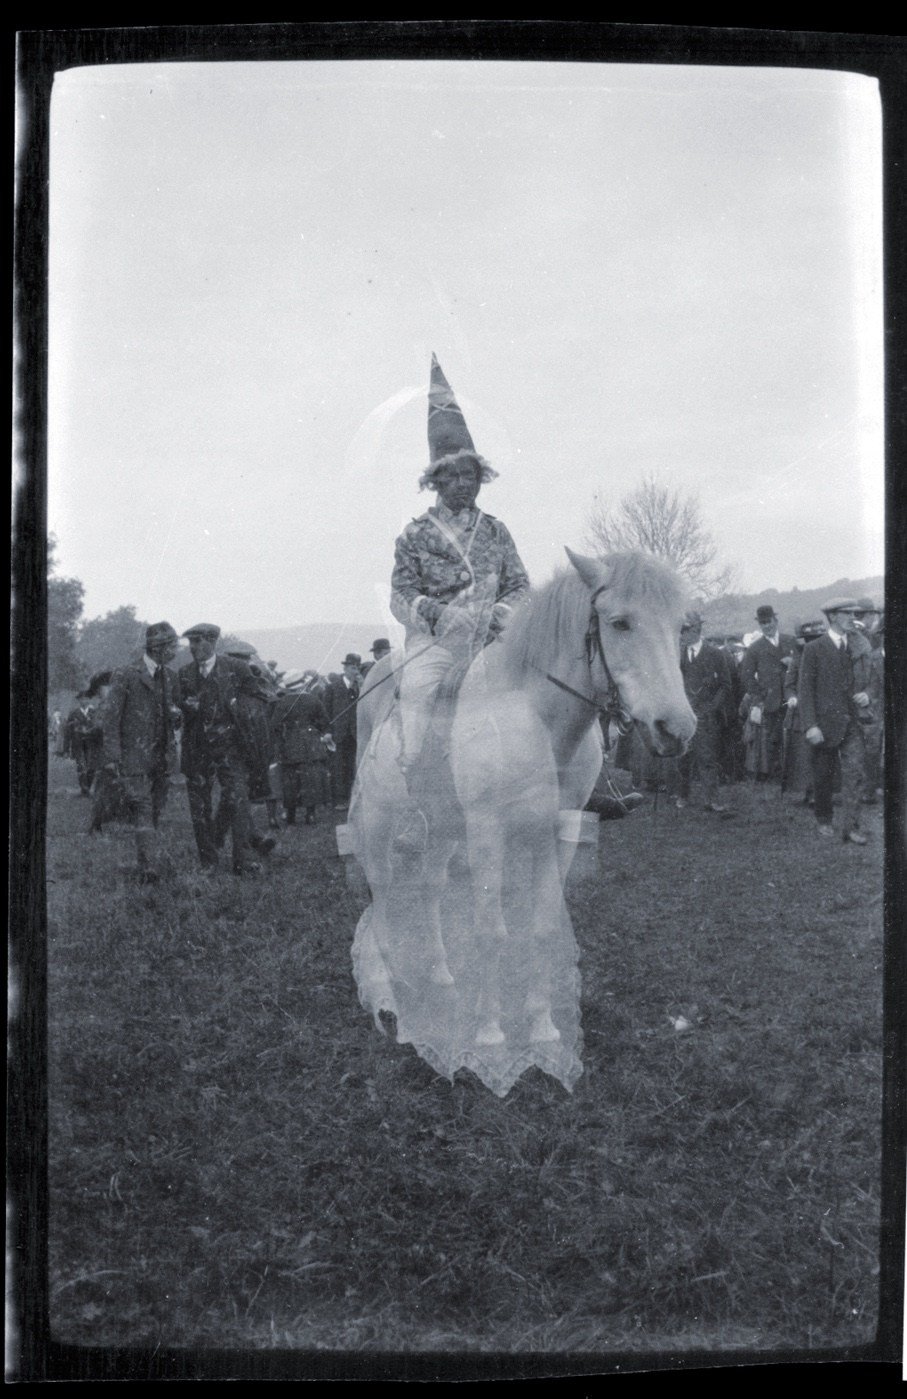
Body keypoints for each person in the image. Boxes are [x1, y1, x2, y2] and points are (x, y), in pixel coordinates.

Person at [389, 354, 530, 851]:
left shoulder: (496, 531)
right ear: (437, 481)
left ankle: (586, 782)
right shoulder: (414, 535)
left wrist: (502, 613)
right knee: (418, 701)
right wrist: (437, 613)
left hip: (491, 640)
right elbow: (400, 594)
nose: (465, 484)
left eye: (471, 475)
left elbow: (519, 584)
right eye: (454, 476)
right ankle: (415, 809)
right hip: (437, 646)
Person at [175, 623, 274, 876]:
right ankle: (208, 861)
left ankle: (243, 860)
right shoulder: (184, 674)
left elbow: (260, 697)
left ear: (212, 642)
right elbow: (175, 708)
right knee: (200, 809)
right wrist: (185, 707)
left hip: (231, 749)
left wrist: (237, 707)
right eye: (190, 643)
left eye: (197, 642)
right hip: (197, 751)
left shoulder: (237, 669)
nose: (193, 648)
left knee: (238, 800)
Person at [97, 625, 181, 880]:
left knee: (154, 809)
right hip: (134, 756)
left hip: (161, 757)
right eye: (172, 647)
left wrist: (176, 716)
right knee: (143, 807)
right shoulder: (126, 674)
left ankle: (147, 857)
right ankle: (148, 866)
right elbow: (111, 718)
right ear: (159, 648)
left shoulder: (170, 677)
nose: (175, 651)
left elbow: (171, 714)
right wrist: (113, 756)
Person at [798, 597, 871, 844]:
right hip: (824, 725)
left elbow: (872, 680)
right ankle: (824, 819)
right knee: (823, 775)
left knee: (855, 774)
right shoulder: (814, 649)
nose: (853, 617)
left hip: (852, 722)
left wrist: (867, 695)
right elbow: (805, 690)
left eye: (855, 613)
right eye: (847, 613)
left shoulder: (860, 646)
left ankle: (851, 827)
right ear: (832, 616)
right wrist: (810, 725)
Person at [671, 611, 734, 813]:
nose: (682, 635)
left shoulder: (716, 654)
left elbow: (726, 685)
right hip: (683, 715)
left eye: (686, 630)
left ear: (697, 629)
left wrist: (711, 708)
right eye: (681, 631)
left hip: (707, 716)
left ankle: (711, 798)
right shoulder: (677, 655)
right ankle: (682, 795)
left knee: (708, 757)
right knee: (682, 757)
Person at [740, 605, 797, 784]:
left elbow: (805, 665)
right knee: (770, 738)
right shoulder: (755, 648)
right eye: (763, 623)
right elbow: (746, 675)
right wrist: (759, 695)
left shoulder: (791, 641)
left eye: (769, 622)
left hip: (791, 699)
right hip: (769, 701)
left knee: (792, 736)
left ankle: (791, 772)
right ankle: (772, 773)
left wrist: (793, 663)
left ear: (776, 621)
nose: (767, 626)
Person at [273, 669, 333, 824]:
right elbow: (325, 721)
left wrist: (280, 743)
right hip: (312, 742)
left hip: (291, 743)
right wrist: (322, 731)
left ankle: (291, 815)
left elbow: (275, 726)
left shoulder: (283, 702)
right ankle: (310, 814)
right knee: (310, 779)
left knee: (291, 780)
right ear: (303, 685)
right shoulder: (314, 700)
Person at [781, 620, 825, 802]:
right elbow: (789, 685)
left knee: (823, 754)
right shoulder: (798, 659)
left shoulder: (829, 657)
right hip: (802, 714)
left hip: (824, 713)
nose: (812, 642)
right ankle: (808, 792)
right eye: (809, 639)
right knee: (804, 754)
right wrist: (791, 697)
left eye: (817, 638)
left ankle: (822, 792)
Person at [324, 654, 362, 810]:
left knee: (351, 767)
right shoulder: (333, 686)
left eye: (357, 668)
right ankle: (338, 800)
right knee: (337, 767)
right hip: (337, 733)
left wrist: (361, 686)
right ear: (345, 668)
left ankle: (350, 798)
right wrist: (327, 731)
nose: (356, 671)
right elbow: (326, 711)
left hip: (354, 733)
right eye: (353, 668)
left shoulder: (360, 686)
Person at [66, 692, 99, 795]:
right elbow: (68, 731)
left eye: (86, 699)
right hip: (78, 743)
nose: (84, 701)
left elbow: (98, 729)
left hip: (91, 744)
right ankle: (83, 788)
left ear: (89, 700)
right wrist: (66, 748)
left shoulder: (94, 712)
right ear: (79, 701)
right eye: (82, 699)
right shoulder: (73, 713)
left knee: (91, 766)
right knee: (81, 765)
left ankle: (88, 786)